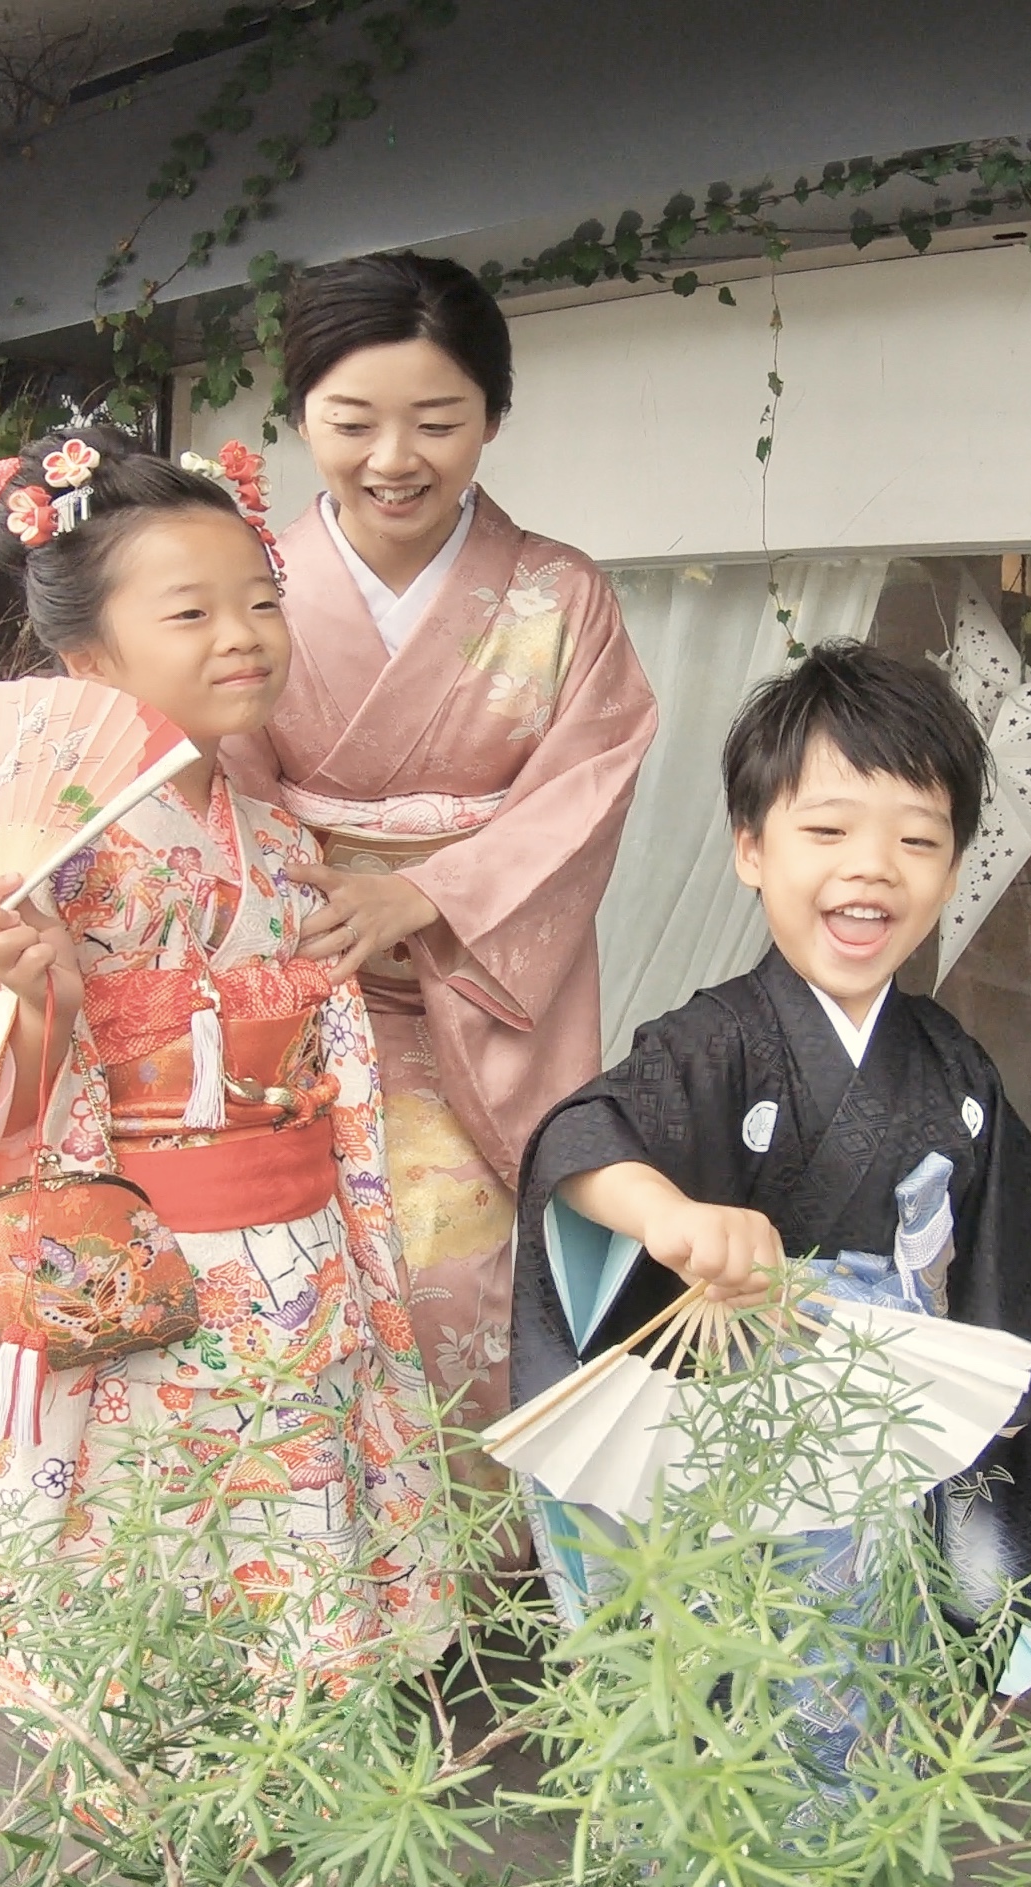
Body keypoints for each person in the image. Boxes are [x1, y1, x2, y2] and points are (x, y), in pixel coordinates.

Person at [0, 423, 451, 1702]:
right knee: (159, 1587)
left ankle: (293, 1829)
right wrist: (29, 1010)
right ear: (87, 656)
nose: (244, 634)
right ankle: (178, 1858)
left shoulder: (280, 841)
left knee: (305, 1587)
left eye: (261, 601)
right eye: (190, 612)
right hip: (144, 1285)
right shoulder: (38, 855)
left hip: (303, 1264)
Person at [507, 642, 1031, 1700]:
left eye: (917, 840)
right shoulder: (713, 1042)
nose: (872, 867)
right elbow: (581, 1145)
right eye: (826, 831)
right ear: (750, 850)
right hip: (737, 1426)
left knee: (877, 1670)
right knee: (736, 1684)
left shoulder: (950, 1064)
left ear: (953, 870)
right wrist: (670, 1216)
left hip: (890, 1433)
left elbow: (1004, 1258)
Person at [219, 252, 657, 1455]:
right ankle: (309, 1572)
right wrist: (301, 913)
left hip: (477, 989)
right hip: (290, 983)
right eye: (351, 422)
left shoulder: (558, 594)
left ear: (493, 420)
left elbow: (587, 783)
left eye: (438, 421)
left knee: (454, 1262)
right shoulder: (246, 586)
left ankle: (460, 1582)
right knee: (272, 1266)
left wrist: (419, 890)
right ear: (302, 414)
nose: (392, 458)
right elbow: (213, 767)